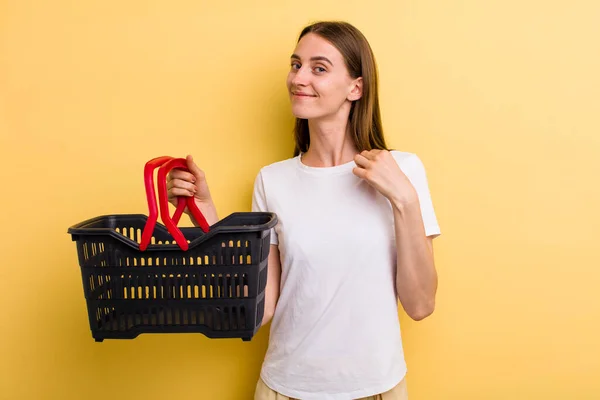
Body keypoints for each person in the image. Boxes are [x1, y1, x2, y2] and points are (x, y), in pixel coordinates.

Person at [167, 21, 441, 400]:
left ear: (355, 87)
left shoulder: (402, 170)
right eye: (296, 65)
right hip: (286, 389)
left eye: (319, 68)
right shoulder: (272, 181)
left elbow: (421, 304)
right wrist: (207, 217)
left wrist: (405, 199)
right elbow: (259, 307)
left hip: (376, 389)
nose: (299, 78)